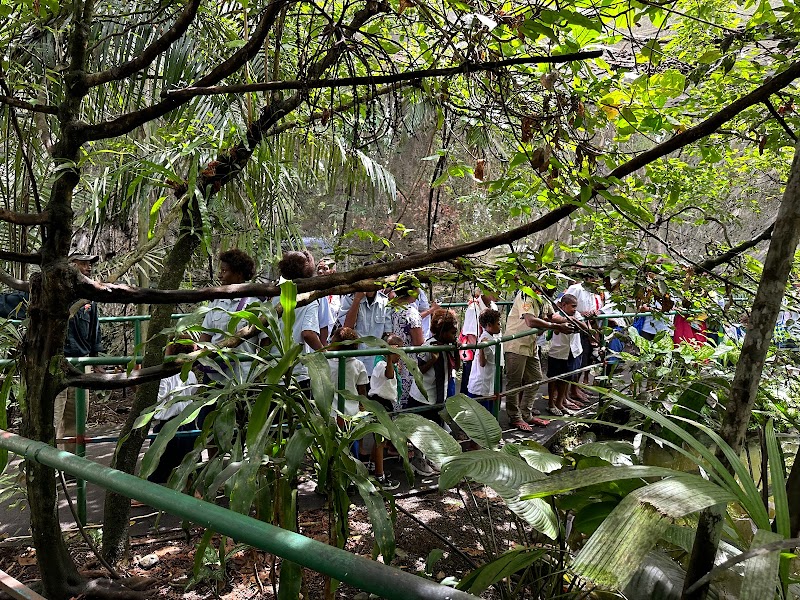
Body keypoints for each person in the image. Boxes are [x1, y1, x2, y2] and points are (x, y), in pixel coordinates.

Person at [504, 290, 574, 431]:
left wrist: (569, 321)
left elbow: (552, 315)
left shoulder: (543, 297)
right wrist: (556, 326)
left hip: (530, 344)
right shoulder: (526, 295)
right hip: (516, 344)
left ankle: (526, 413)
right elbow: (530, 321)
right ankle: (515, 417)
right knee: (515, 383)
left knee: (536, 378)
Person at [55, 252, 104, 454]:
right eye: (84, 264)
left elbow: (94, 331)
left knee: (77, 417)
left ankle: (72, 466)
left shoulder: (89, 300)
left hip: (81, 364)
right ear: (71, 266)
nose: (89, 268)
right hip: (56, 363)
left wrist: (97, 361)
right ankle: (50, 467)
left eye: (90, 264)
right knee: (54, 416)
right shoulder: (55, 294)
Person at [408, 309, 460, 475]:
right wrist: (432, 360)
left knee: (435, 429)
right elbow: (419, 370)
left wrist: (456, 350)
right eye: (452, 332)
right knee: (421, 431)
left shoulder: (450, 345)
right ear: (442, 332)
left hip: (439, 396)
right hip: (423, 397)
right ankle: (417, 460)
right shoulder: (428, 346)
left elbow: (456, 367)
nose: (455, 335)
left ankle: (430, 457)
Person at [198, 249, 262, 384]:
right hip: (214, 376)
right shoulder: (216, 302)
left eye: (224, 271)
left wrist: (260, 372)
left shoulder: (255, 304)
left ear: (238, 274)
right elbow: (206, 335)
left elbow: (265, 342)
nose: (220, 276)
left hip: (241, 377)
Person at [148, 337, 200, 484]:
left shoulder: (164, 375)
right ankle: (192, 489)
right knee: (188, 461)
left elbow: (157, 397)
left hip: (166, 425)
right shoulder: (190, 373)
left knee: (157, 463)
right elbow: (193, 390)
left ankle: (151, 493)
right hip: (187, 422)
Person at [276, 250, 323, 393]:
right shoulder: (308, 299)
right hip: (298, 371)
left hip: (273, 368)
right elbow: (308, 333)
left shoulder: (273, 295)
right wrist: (323, 351)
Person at [367, 333, 405, 491]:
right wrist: (391, 359)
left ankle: (372, 466)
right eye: (399, 353)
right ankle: (379, 475)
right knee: (380, 441)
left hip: (385, 403)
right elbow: (389, 375)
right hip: (381, 403)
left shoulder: (384, 362)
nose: (401, 356)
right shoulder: (383, 363)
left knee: (378, 439)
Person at [338, 285, 393, 371]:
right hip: (354, 362)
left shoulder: (384, 301)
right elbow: (347, 328)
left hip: (375, 364)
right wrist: (357, 300)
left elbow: (387, 333)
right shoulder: (349, 299)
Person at [546, 294, 583, 416]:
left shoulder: (576, 315)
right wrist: (564, 322)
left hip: (573, 351)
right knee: (553, 378)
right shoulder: (557, 316)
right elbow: (556, 330)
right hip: (558, 351)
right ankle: (551, 404)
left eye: (575, 307)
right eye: (572, 306)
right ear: (563, 305)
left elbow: (585, 327)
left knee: (567, 378)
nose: (574, 309)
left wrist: (573, 320)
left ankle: (560, 403)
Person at [390, 281, 425, 406]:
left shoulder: (395, 308)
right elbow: (419, 343)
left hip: (397, 359)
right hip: (409, 364)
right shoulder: (411, 313)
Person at [459, 288, 498, 393]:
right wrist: (480, 353)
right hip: (476, 356)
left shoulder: (493, 306)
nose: (499, 293)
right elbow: (471, 335)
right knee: (473, 387)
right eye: (496, 290)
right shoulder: (474, 308)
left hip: (488, 354)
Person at [466, 308, 502, 413]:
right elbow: (482, 363)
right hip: (480, 385)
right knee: (480, 414)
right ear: (489, 325)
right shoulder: (485, 340)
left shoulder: (490, 337)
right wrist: (481, 348)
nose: (500, 326)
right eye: (498, 323)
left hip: (487, 382)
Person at [328, 327, 369, 416]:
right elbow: (362, 390)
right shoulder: (358, 365)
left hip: (330, 412)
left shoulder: (326, 363)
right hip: (352, 412)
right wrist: (363, 406)